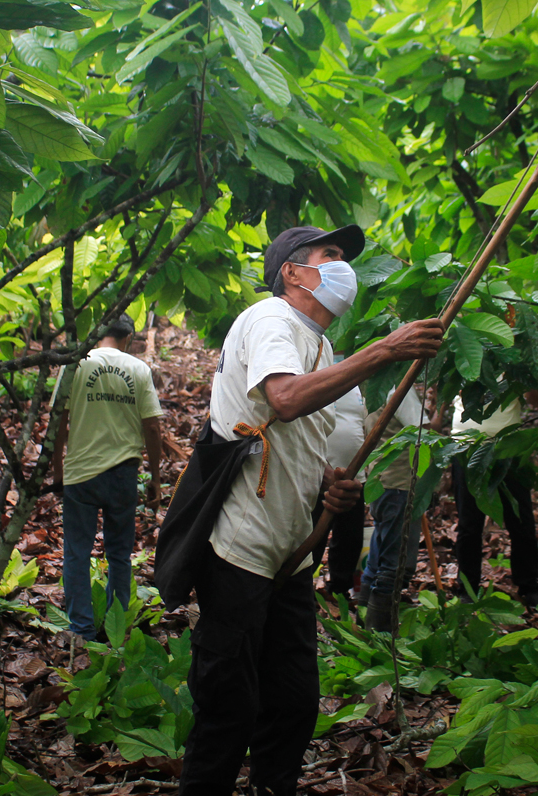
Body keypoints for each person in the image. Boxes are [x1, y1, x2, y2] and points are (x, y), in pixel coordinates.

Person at [179, 224, 443, 796]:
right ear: (292, 273)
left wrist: (331, 485)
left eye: (342, 256)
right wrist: (385, 351)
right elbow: (285, 399)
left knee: (294, 703)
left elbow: (296, 439)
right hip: (241, 548)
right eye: (330, 255)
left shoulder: (317, 344)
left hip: (290, 554)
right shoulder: (272, 318)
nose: (342, 264)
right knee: (229, 707)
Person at [51, 314, 164, 643]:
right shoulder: (138, 369)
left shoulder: (75, 364)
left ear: (97, 332)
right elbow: (153, 427)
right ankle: (116, 631)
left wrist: (59, 471)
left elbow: (58, 421)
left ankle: (82, 630)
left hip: (80, 474)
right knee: (118, 553)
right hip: (122, 475)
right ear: (129, 338)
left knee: (76, 552)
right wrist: (155, 477)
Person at [450, 392, 538, 608]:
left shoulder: (515, 360)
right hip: (465, 446)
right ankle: (467, 589)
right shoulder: (463, 359)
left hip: (507, 449)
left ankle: (529, 587)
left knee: (521, 521)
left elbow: (537, 401)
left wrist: (523, 378)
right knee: (469, 524)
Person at [358, 386, 428, 631]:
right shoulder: (398, 389)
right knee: (396, 565)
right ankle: (380, 633)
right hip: (399, 484)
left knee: (380, 554)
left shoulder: (372, 390)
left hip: (382, 482)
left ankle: (364, 617)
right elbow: (423, 432)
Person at [322, 383, 368, 601]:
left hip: (353, 476)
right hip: (319, 474)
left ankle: (340, 590)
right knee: (315, 532)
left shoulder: (359, 385)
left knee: (350, 536)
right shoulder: (318, 373)